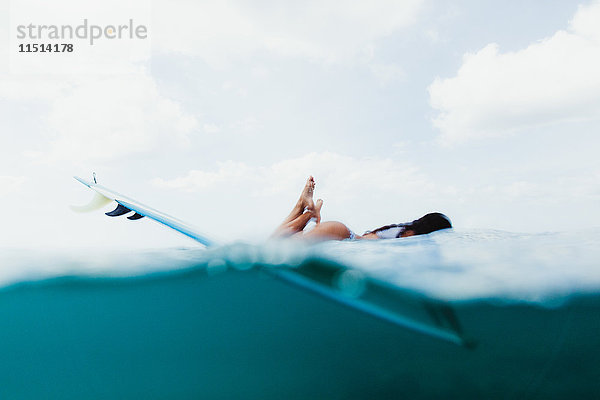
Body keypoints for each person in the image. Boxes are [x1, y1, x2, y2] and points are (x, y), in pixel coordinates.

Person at [272, 176, 452, 241]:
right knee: (278, 249)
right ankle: (309, 211)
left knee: (278, 245)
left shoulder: (404, 230)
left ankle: (301, 206)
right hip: (343, 234)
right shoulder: (412, 238)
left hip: (342, 232)